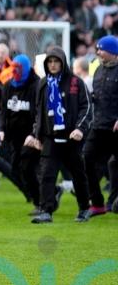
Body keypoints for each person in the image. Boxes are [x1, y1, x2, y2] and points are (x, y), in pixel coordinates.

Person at [25, 46, 92, 224]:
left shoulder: (76, 82)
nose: (53, 65)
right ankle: (46, 210)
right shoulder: (43, 84)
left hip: (72, 138)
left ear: (63, 62)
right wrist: (36, 135)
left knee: (78, 174)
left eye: (56, 61)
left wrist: (80, 129)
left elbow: (87, 108)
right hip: (50, 138)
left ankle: (85, 208)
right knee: (46, 174)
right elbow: (39, 112)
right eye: (50, 62)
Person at [0, 54, 42, 214]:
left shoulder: (36, 86)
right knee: (16, 169)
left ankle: (40, 202)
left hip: (31, 137)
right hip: (14, 137)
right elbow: (4, 110)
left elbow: (39, 112)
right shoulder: (9, 85)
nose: (15, 71)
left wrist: (34, 134)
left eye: (18, 68)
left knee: (27, 166)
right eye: (13, 68)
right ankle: (50, 192)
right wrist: (2, 129)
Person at [82, 36, 118, 217]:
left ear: (112, 52)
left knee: (114, 164)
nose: (98, 52)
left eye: (101, 49)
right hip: (99, 125)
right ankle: (97, 203)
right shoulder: (98, 70)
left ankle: (113, 201)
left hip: (115, 127)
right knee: (87, 157)